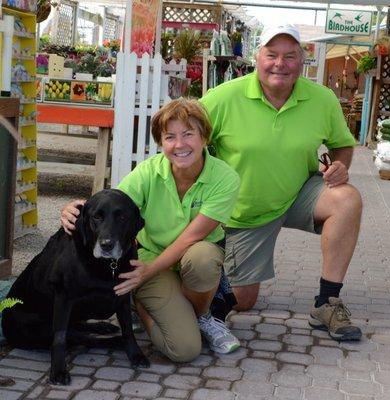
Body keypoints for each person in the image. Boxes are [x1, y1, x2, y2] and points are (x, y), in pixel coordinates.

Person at [200, 24, 363, 341]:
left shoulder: (321, 99)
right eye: (272, 54)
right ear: (257, 57)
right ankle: (212, 268)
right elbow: (186, 145)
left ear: (303, 60)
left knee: (347, 199)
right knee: (244, 300)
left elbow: (342, 144)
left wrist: (340, 166)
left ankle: (326, 302)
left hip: (297, 193)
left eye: (290, 56)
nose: (280, 63)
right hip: (243, 211)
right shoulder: (221, 98)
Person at [60, 98, 241, 361]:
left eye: (188, 134)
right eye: (170, 137)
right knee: (184, 350)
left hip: (187, 259)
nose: (180, 145)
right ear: (161, 142)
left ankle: (203, 317)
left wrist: (144, 274)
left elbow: (191, 237)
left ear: (204, 137)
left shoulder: (225, 178)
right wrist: (75, 208)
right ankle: (141, 304)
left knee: (202, 258)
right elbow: (112, 204)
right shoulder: (148, 172)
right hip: (152, 257)